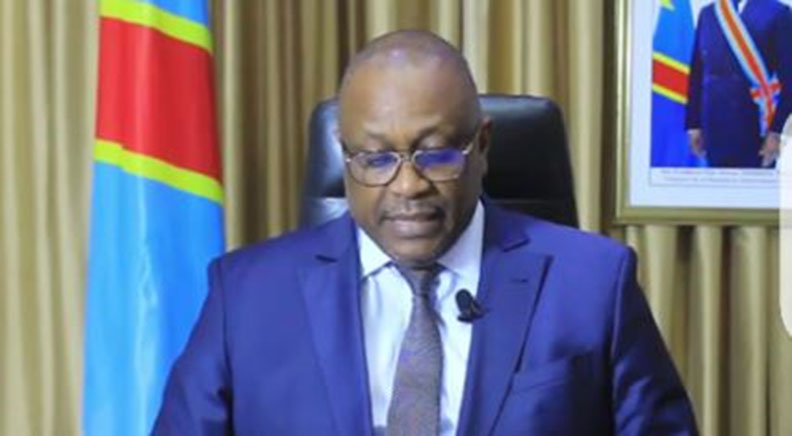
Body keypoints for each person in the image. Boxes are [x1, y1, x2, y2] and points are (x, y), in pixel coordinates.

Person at [154, 30, 698, 435]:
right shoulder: (247, 295)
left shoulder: (593, 285)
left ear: (482, 145)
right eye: (376, 159)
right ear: (344, 157)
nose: (409, 185)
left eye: (436, 154)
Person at [686, 0, 792, 168]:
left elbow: (789, 81)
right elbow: (697, 73)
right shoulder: (708, 13)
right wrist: (694, 124)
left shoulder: (777, 13)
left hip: (755, 128)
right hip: (714, 127)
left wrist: (777, 132)